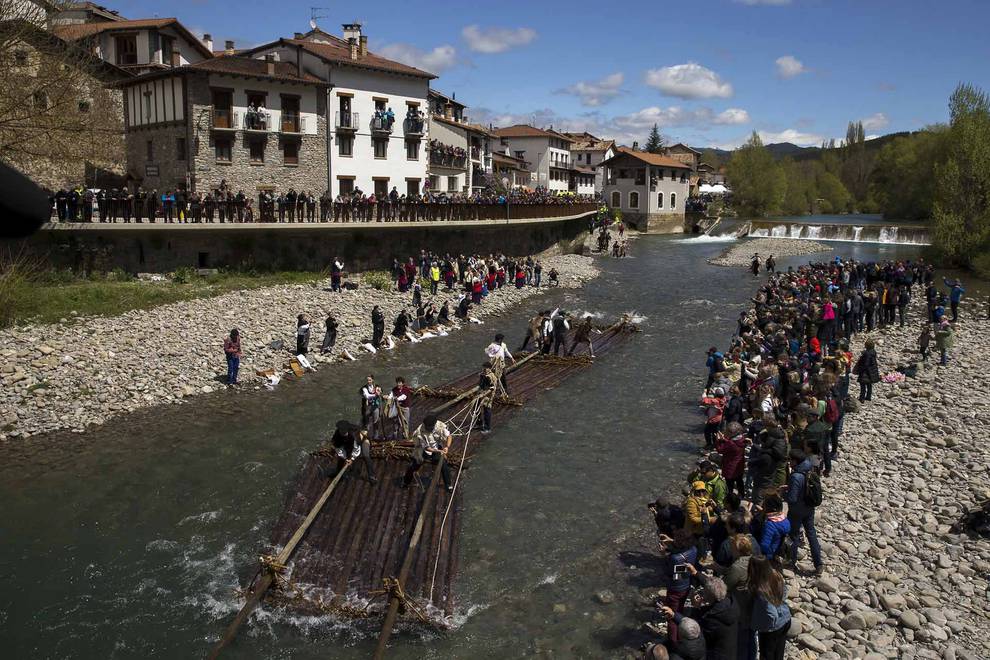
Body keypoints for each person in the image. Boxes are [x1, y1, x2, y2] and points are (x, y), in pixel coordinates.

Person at [784, 449, 824, 575]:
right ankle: (818, 564)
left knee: (794, 536)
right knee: (811, 535)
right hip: (809, 508)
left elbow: (792, 498)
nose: (789, 462)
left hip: (796, 511)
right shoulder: (809, 469)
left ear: (795, 461)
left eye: (790, 460)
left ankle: (792, 562)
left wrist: (784, 493)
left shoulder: (796, 476)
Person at [748, 557, 791, 660]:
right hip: (786, 619)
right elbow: (785, 592)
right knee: (778, 653)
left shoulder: (761, 589)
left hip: (772, 628)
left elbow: (771, 613)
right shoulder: (776, 575)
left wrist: (764, 626)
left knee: (767, 655)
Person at [403, 414, 454, 492]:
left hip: (437, 447)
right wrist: (439, 451)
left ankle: (448, 485)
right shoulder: (419, 432)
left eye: (430, 427)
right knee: (414, 465)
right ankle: (406, 482)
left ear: (434, 425)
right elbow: (427, 448)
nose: (428, 428)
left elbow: (449, 436)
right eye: (427, 427)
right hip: (423, 450)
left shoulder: (440, 426)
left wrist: (447, 447)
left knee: (443, 463)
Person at [754, 493, 790, 559]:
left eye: (764, 506)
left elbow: (764, 546)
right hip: (776, 550)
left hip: (768, 556)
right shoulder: (785, 519)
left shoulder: (769, 525)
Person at [716, 422, 747, 498]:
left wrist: (718, 440)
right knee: (739, 480)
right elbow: (733, 443)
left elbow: (720, 450)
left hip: (730, 467)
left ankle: (730, 498)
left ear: (731, 433)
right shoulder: (742, 438)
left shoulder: (731, 444)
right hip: (739, 465)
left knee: (729, 484)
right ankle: (742, 494)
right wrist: (725, 440)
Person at [852, 338, 880, 402]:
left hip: (865, 371)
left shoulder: (867, 354)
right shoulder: (873, 352)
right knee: (869, 384)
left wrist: (860, 369)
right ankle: (868, 397)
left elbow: (866, 364)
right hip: (871, 371)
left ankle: (862, 398)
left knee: (863, 385)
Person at [361, 375, 383, 440]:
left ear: (372, 380)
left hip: (376, 406)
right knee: (366, 422)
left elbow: (380, 393)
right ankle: (366, 436)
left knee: (376, 421)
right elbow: (367, 396)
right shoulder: (364, 388)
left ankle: (376, 436)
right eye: (367, 380)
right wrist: (376, 394)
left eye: (370, 380)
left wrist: (380, 392)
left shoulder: (377, 386)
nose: (368, 381)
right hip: (368, 406)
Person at [478, 361, 497, 432]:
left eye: (485, 368)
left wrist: (484, 394)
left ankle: (487, 427)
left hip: (488, 396)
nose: (484, 369)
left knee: (487, 410)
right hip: (481, 393)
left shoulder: (492, 377)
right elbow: (480, 384)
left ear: (489, 368)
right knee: (476, 408)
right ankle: (479, 423)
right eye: (483, 368)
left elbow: (492, 388)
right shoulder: (482, 374)